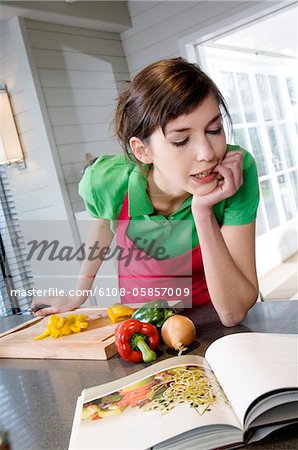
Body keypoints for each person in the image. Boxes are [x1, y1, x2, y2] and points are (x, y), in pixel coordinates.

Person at [31, 57, 259, 326]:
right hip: (139, 324)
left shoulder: (236, 170)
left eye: (214, 129)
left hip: (211, 322)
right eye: (181, 140)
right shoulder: (107, 179)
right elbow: (103, 225)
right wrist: (78, 294)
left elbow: (233, 313)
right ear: (142, 150)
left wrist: (202, 212)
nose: (208, 154)